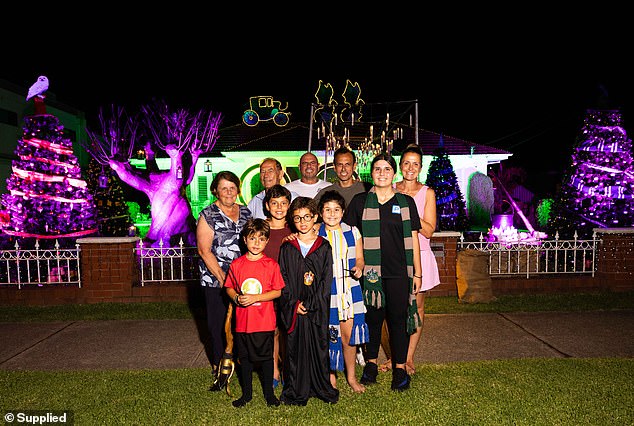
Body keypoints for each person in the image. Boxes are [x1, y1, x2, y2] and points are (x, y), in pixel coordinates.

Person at [343, 152, 423, 392]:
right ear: (372, 172)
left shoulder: (406, 202)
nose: (381, 173)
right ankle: (370, 365)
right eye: (377, 169)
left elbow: (414, 239)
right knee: (372, 320)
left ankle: (400, 369)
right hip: (370, 274)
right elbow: (351, 236)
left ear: (393, 173)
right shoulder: (359, 202)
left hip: (400, 271)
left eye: (386, 169)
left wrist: (417, 274)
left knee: (398, 321)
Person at [277, 197, 339, 405]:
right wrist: (295, 305)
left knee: (318, 347)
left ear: (315, 217)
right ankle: (296, 389)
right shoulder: (287, 248)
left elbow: (325, 280)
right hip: (295, 308)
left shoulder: (324, 247)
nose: (302, 222)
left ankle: (320, 386)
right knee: (294, 350)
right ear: (292, 221)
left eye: (306, 217)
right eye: (297, 218)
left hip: (316, 308)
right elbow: (283, 279)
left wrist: (311, 304)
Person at [196, 171, 252, 390]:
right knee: (218, 324)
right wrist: (223, 278)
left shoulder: (246, 212)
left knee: (241, 324)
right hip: (215, 280)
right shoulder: (208, 214)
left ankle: (239, 362)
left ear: (237, 189)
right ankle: (219, 367)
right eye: (223, 188)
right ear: (215, 191)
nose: (228, 192)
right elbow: (204, 250)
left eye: (232, 187)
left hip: (244, 280)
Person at [224, 218, 285, 408]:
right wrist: (236, 298)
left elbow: (278, 291)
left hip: (264, 322)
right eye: (252, 238)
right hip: (243, 323)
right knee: (245, 360)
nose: (256, 243)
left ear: (267, 241)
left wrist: (256, 298)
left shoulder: (271, 265)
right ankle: (247, 395)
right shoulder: (237, 265)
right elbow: (229, 287)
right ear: (244, 240)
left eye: (261, 239)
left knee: (267, 359)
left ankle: (269, 394)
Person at [394, 143, 440, 375]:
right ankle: (396, 357)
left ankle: (409, 358)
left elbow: (429, 230)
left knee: (417, 308)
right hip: (394, 257)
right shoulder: (390, 188)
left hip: (420, 255)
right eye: (406, 163)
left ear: (420, 167)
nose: (410, 168)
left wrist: (410, 208)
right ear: (400, 165)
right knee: (394, 308)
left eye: (415, 164)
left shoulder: (427, 193)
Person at [317, 190, 369, 393]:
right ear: (321, 213)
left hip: (349, 291)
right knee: (329, 337)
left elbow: (360, 258)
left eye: (336, 209)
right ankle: (330, 378)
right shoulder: (315, 232)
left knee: (348, 338)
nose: (332, 214)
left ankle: (351, 377)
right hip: (326, 293)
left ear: (343, 211)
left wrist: (359, 267)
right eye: (327, 210)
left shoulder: (353, 231)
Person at [262, 184, 293, 388]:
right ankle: (273, 370)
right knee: (271, 330)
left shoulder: (295, 228)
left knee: (288, 331)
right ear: (267, 205)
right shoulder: (260, 228)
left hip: (289, 287)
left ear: (289, 206)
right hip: (267, 288)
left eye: (283, 203)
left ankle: (288, 371)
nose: (279, 207)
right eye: (274, 203)